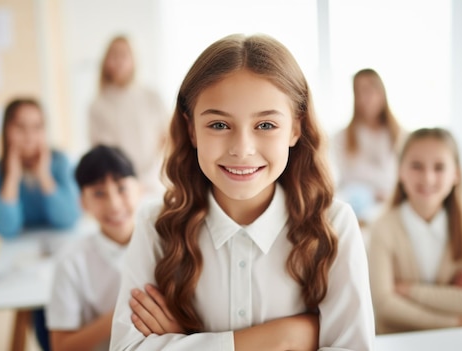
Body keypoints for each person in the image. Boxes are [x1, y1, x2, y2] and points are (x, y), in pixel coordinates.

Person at [110, 34, 374, 350]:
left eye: (265, 125)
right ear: (192, 129)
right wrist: (284, 338)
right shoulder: (156, 224)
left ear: (295, 128)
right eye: (219, 125)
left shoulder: (335, 224)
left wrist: (188, 342)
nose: (242, 150)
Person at [368, 128, 462, 334]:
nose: (428, 178)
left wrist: (406, 290)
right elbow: (385, 306)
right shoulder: (383, 226)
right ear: (400, 172)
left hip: (451, 342)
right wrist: (454, 322)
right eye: (416, 166)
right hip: (395, 339)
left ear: (456, 174)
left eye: (439, 167)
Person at [0, 98, 81, 351]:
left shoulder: (60, 162)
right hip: (25, 258)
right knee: (37, 308)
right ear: (7, 130)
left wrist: (43, 175)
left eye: (37, 127)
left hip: (62, 252)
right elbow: (6, 227)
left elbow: (69, 218)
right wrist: (13, 176)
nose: (29, 135)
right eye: (20, 127)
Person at [46, 145, 142, 351]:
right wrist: (120, 314)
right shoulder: (71, 262)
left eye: (122, 188)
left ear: (139, 189)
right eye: (99, 193)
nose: (114, 204)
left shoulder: (167, 243)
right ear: (83, 202)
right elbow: (60, 346)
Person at [89, 36, 169, 195]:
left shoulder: (151, 97)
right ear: (105, 62)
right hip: (120, 187)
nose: (118, 61)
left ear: (134, 60)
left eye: (124, 55)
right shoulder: (98, 106)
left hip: (155, 182)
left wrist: (150, 177)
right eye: (114, 55)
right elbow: (100, 151)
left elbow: (166, 140)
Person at [330, 68, 403, 221]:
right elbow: (344, 177)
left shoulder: (400, 136)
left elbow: (399, 176)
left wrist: (385, 193)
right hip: (357, 202)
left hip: (390, 200)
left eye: (370, 90)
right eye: (359, 91)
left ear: (381, 92)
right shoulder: (341, 137)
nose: (366, 97)